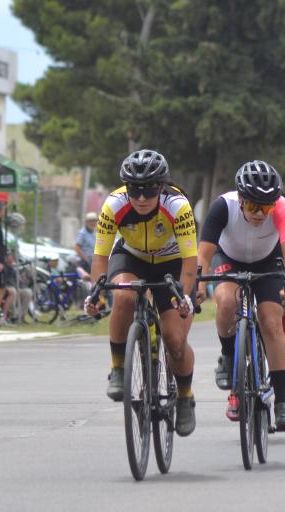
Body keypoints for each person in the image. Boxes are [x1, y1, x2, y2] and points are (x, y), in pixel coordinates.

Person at [84, 149, 199, 437]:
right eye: (135, 191)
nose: (142, 198)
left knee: (175, 340)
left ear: (161, 187)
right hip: (132, 257)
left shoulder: (178, 205)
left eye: (149, 191)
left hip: (171, 263)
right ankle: (118, 368)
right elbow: (100, 256)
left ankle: (185, 395)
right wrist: (96, 292)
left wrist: (184, 295)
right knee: (123, 295)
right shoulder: (114, 204)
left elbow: (189, 261)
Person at [195, 160, 285, 432]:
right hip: (229, 257)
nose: (260, 214)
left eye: (266, 207)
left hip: (268, 261)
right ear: (240, 199)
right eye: (253, 206)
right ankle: (229, 357)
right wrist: (196, 282)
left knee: (270, 321)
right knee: (227, 302)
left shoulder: (282, 207)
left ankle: (282, 403)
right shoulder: (223, 206)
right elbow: (204, 253)